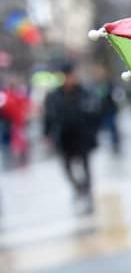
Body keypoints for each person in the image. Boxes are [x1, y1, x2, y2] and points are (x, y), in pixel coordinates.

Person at [44, 62, 100, 214]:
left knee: (86, 165)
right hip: (64, 137)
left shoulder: (84, 92)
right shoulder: (53, 96)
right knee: (66, 167)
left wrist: (93, 131)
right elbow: (48, 117)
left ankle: (87, 190)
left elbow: (95, 113)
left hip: (82, 135)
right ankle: (78, 187)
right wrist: (47, 134)